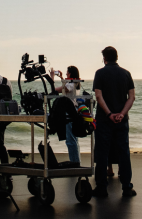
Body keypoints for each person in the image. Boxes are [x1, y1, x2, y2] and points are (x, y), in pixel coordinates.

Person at [92, 46, 136, 198]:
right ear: (116, 57)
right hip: (122, 120)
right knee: (124, 152)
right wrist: (122, 114)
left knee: (102, 152)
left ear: (104, 58)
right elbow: (131, 97)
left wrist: (109, 114)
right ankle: (126, 186)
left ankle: (101, 187)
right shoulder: (126, 74)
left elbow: (98, 96)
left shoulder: (100, 73)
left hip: (104, 120)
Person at [51, 65, 85, 165]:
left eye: (67, 72)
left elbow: (60, 89)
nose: (66, 74)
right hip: (73, 111)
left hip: (69, 112)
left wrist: (52, 78)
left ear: (70, 73)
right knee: (74, 139)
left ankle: (74, 163)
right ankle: (76, 162)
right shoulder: (76, 83)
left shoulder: (72, 84)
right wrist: (61, 78)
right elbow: (66, 89)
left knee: (71, 140)